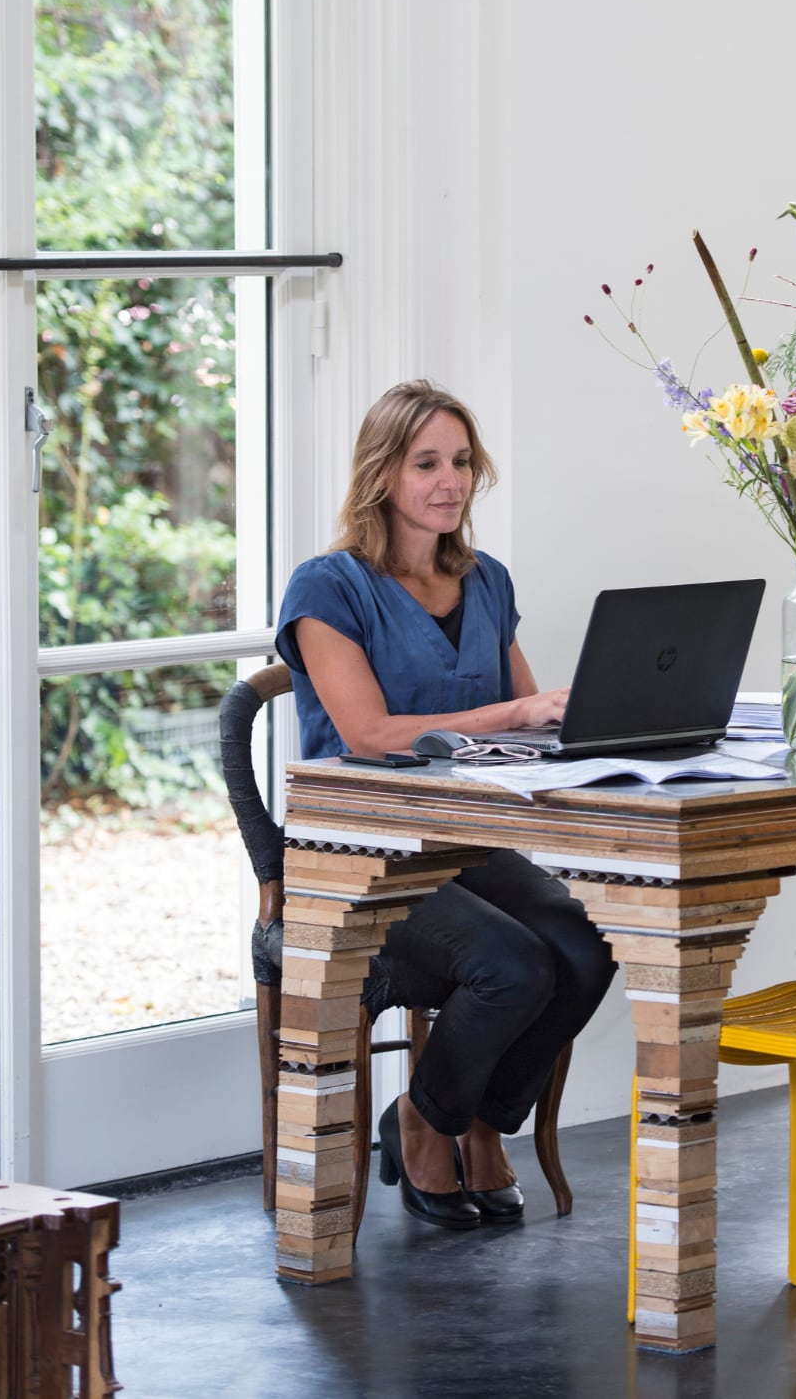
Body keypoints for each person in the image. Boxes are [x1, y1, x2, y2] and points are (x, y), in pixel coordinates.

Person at [274, 380, 616, 1231]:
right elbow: (369, 731)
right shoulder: (328, 587)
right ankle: (428, 1124)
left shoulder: (486, 581)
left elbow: (535, 722)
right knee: (515, 965)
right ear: (382, 474)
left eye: (461, 461)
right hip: (356, 850)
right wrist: (511, 713)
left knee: (591, 942)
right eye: (426, 462)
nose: (449, 480)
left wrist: (607, 721)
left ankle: (470, 1119)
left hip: (466, 842)